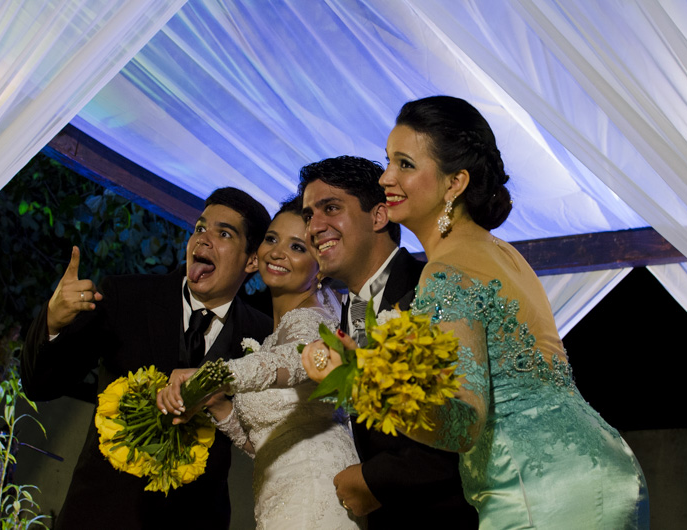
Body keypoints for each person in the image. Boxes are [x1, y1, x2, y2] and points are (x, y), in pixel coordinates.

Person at [303, 97, 650, 528]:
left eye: (405, 164)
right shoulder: (502, 253)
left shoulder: (447, 272)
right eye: (388, 161)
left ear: (455, 183)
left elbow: (462, 425)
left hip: (538, 490)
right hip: (599, 464)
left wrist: (358, 377)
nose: (386, 177)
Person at [20, 187, 273, 530]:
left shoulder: (264, 337)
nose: (204, 240)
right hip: (100, 516)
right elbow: (40, 384)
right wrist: (52, 321)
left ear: (251, 260)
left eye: (224, 233)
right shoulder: (126, 297)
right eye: (200, 228)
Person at [158, 196, 362, 528]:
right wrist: (221, 407)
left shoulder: (311, 322)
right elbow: (266, 444)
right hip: (279, 496)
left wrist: (212, 375)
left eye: (297, 247)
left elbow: (297, 360)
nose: (277, 252)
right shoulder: (276, 332)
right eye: (271, 238)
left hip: (314, 496)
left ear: (320, 265)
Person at [299, 156, 478, 528]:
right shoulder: (343, 318)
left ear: (379, 217)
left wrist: (374, 480)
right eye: (308, 216)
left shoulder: (434, 287)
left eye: (330, 208)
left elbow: (468, 423)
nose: (314, 227)